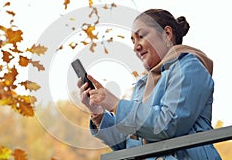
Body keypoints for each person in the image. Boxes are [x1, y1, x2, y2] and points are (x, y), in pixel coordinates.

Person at [77, 9, 222, 160]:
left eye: (141, 36)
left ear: (167, 34)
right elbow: (131, 143)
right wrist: (99, 113)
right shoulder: (143, 86)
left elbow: (167, 124)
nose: (135, 47)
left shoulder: (190, 67)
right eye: (133, 41)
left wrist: (116, 105)